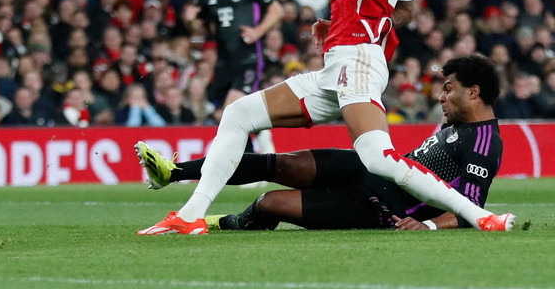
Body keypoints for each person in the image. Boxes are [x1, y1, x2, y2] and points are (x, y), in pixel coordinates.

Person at [138, 0, 514, 235]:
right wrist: (341, 21)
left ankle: (480, 216)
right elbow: (406, 9)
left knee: (378, 157)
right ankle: (189, 215)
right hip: (340, 60)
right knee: (239, 115)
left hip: (357, 60)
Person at [136, 55, 503, 231]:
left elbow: (471, 205)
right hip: (370, 170)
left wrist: (430, 226)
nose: (440, 97)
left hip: (384, 207)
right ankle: (175, 172)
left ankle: (224, 222)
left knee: (269, 202)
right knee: (280, 163)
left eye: (448, 89)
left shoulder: (485, 142)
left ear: (474, 93)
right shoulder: (458, 126)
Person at [183, 0, 284, 153]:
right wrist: (191, 21)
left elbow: (277, 10)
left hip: (248, 57)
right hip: (223, 62)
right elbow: (200, 30)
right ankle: (262, 134)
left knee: (232, 109)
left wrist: (258, 31)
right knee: (225, 114)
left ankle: (248, 164)